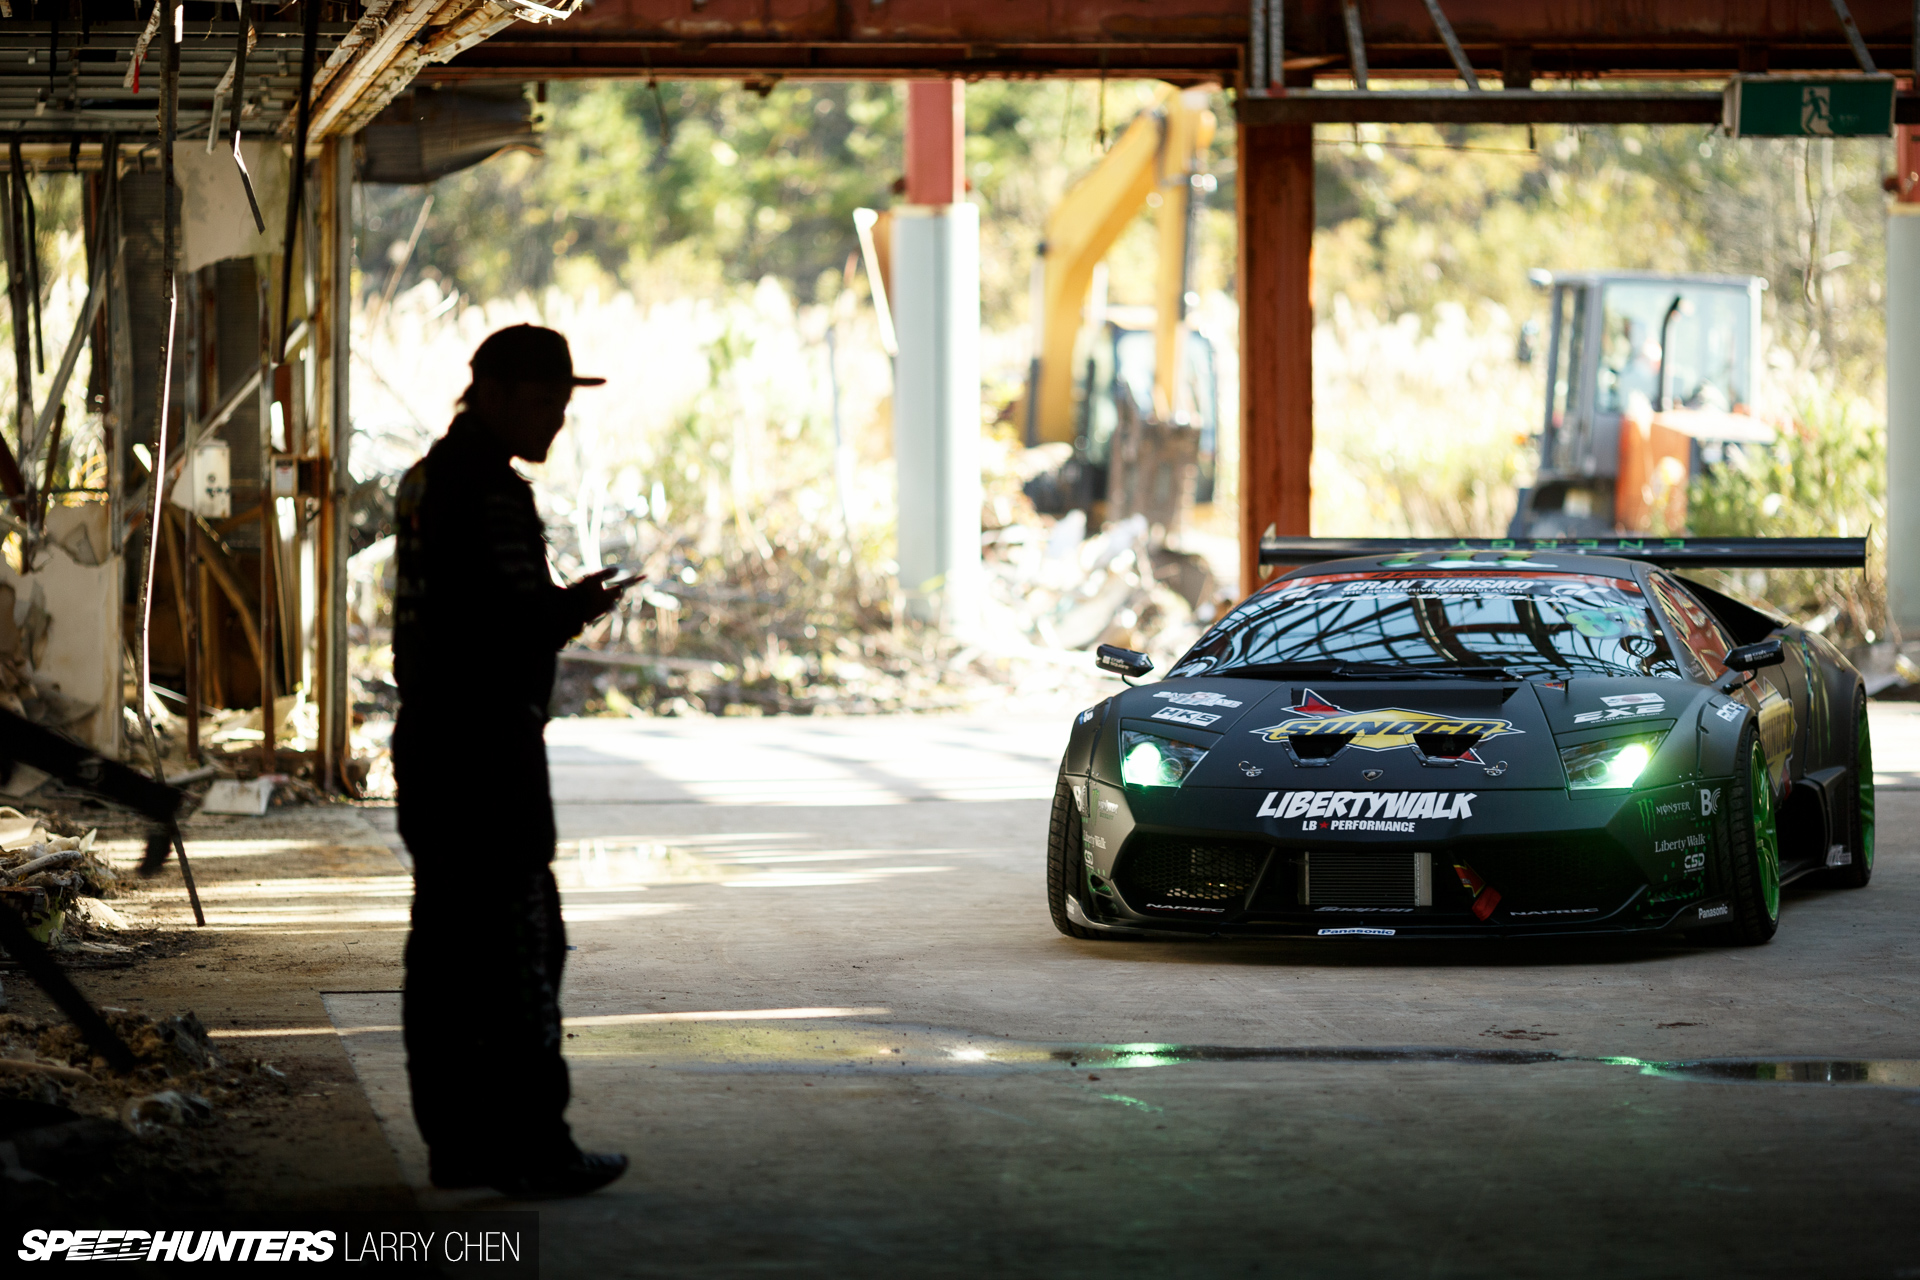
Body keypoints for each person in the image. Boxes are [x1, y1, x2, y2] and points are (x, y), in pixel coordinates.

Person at [391, 324, 635, 1197]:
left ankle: (456, 1144)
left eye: (564, 407)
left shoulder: (422, 482)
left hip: (430, 743)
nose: (556, 423)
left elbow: (459, 615)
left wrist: (554, 607)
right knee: (524, 946)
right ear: (490, 393)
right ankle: (536, 1147)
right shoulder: (489, 493)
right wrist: (568, 610)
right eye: (543, 403)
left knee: (447, 950)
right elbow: (503, 627)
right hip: (486, 751)